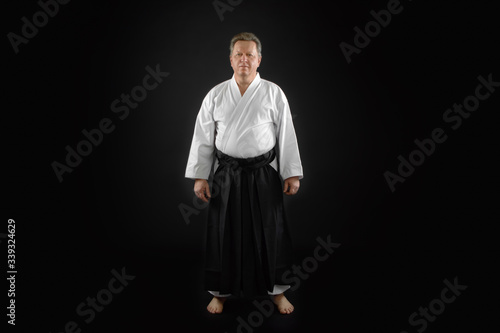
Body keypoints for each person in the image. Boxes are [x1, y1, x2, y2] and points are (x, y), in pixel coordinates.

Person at [185, 32, 303, 315]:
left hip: (263, 173)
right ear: (230, 59)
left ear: (259, 59)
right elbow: (203, 136)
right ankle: (220, 292)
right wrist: (201, 175)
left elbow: (286, 133)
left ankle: (277, 291)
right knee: (223, 232)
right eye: (239, 54)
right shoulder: (215, 94)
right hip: (227, 173)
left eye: (250, 54)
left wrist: (291, 173)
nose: (244, 59)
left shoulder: (273, 92)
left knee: (270, 231)